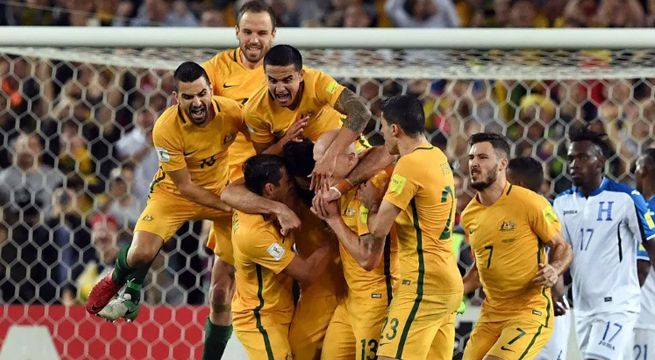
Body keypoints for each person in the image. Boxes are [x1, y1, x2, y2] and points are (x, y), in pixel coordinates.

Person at [85, 62, 245, 327]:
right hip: (174, 195)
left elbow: (260, 143)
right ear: (176, 98)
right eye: (188, 97)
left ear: (211, 90)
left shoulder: (232, 112)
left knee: (220, 294)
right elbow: (185, 186)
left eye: (202, 94)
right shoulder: (165, 127)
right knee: (140, 253)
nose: (197, 102)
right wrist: (228, 205)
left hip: (220, 190)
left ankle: (132, 297)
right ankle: (116, 281)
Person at [346, 95, 462, 360]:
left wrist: (369, 205)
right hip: (447, 282)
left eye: (384, 128)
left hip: (423, 284)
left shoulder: (410, 164)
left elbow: (378, 230)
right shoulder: (437, 156)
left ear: (395, 129)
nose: (383, 134)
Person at [200, 2, 282, 358]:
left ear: (273, 36)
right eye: (248, 32)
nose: (254, 39)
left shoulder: (284, 74)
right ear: (237, 32)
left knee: (275, 294)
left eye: (262, 33)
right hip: (228, 196)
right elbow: (188, 109)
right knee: (220, 294)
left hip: (270, 194)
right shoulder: (215, 71)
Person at [461, 133, 572, 360]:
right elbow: (480, 268)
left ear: (502, 165)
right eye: (471, 157)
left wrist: (554, 268)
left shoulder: (529, 203)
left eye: (482, 157)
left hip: (528, 311)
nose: (474, 163)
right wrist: (452, 292)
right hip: (490, 314)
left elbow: (563, 246)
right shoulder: (469, 215)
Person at [553, 128, 655, 360]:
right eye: (570, 158)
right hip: (582, 307)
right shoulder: (561, 203)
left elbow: (651, 246)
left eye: (582, 157)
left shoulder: (627, 198)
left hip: (618, 306)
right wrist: (557, 292)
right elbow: (559, 253)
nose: (574, 164)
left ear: (600, 162)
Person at [231, 154, 332, 360]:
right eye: (288, 184)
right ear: (269, 189)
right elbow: (307, 273)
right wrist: (336, 234)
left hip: (285, 309)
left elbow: (230, 190)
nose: (293, 187)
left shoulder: (256, 202)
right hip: (262, 319)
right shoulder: (255, 235)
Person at [311, 129, 399, 359]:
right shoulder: (332, 189)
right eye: (316, 161)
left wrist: (333, 220)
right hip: (350, 301)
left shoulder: (372, 190)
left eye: (325, 161)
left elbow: (368, 259)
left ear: (352, 158)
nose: (317, 169)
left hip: (378, 300)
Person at [242, 43, 372, 190]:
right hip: (304, 176)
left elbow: (360, 113)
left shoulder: (318, 82)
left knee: (382, 160)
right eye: (272, 80)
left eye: (287, 80)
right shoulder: (255, 110)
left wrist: (329, 158)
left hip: (347, 159)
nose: (279, 89)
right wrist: (285, 140)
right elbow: (263, 160)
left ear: (301, 75)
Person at [506, 156, 572, 360]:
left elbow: (560, 254)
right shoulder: (506, 213)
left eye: (505, 180)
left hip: (545, 307)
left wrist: (553, 297)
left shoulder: (543, 213)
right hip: (516, 306)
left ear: (519, 185)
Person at [626, 148, 655, 360]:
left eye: (635, 169)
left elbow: (641, 268)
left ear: (643, 170)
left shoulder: (647, 210)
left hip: (645, 313)